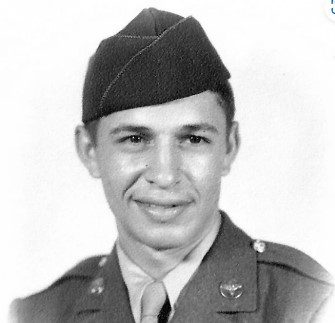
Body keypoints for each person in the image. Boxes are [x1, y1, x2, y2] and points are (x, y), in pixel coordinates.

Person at [10, 7, 333, 323]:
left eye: (193, 140)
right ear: (89, 151)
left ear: (229, 147)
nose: (164, 176)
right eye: (135, 140)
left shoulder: (310, 304)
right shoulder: (36, 314)